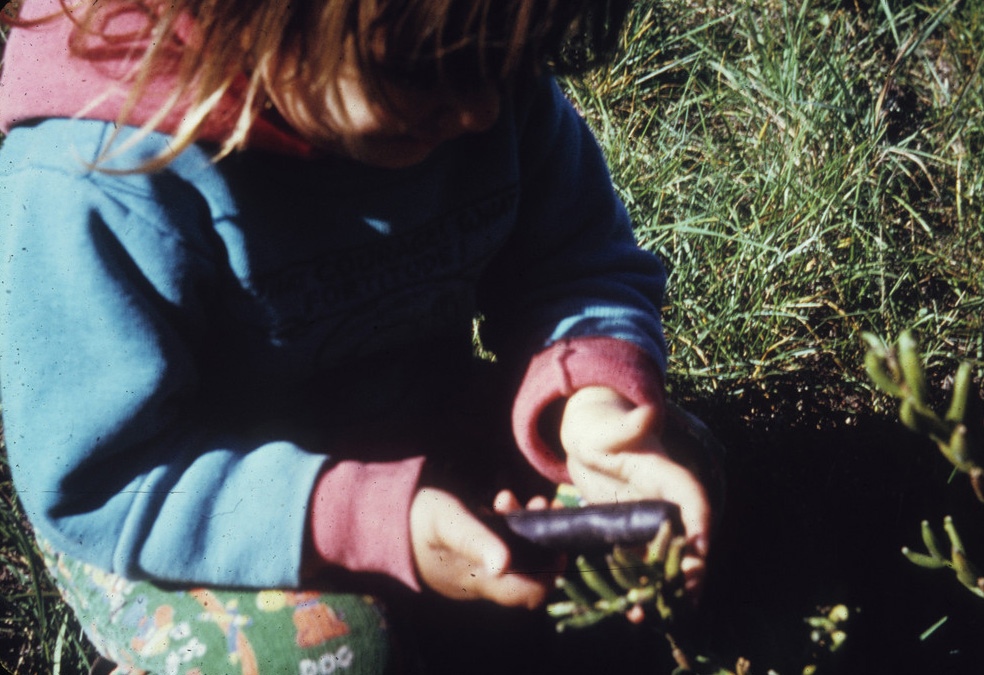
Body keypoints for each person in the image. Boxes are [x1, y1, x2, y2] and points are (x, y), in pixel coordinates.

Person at [0, 0, 721, 672]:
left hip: (407, 415)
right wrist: (378, 523)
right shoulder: (101, 172)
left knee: (660, 499)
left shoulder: (475, 67)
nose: (476, 111)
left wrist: (591, 409)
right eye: (418, 68)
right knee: (331, 650)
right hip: (183, 508)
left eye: (502, 64)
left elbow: (571, 266)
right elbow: (101, 477)